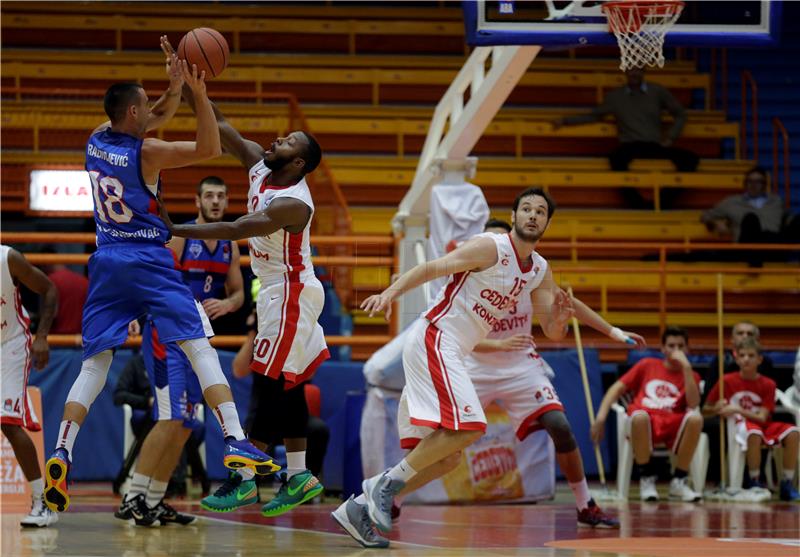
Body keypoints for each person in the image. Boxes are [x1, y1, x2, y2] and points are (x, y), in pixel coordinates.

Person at [333, 188, 645, 548]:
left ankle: (356, 509)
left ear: (547, 222)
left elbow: (553, 328)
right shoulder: (491, 246)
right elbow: (431, 268)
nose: (532, 215)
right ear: (513, 216)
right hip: (436, 336)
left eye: (540, 211)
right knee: (472, 427)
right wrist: (391, 293)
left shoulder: (539, 269)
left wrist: (565, 318)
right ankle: (382, 487)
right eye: (525, 208)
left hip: (455, 351)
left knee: (448, 458)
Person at [43, 38, 276, 515]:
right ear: (132, 113)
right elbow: (210, 147)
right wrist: (198, 92)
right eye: (145, 105)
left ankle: (62, 448)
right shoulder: (148, 153)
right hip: (148, 260)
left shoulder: (95, 138)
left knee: (94, 365)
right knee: (198, 345)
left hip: (106, 261)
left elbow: (152, 117)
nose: (152, 109)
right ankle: (234, 437)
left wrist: (172, 87)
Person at [157, 36, 328, 517]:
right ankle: (298, 475)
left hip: (292, 291)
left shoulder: (293, 202)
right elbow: (221, 124)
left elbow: (235, 228)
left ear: (297, 163)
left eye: (288, 143)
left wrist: (174, 227)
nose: (277, 141)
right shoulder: (258, 165)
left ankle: (245, 478)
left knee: (268, 383)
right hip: (279, 292)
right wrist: (186, 81)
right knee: (286, 382)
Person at [113, 175, 244, 526]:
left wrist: (229, 305)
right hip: (166, 333)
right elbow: (150, 277)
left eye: (221, 196)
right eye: (210, 196)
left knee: (186, 423)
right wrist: (135, 314)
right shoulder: (182, 236)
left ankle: (154, 500)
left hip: (197, 336)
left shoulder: (230, 244)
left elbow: (239, 293)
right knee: (170, 417)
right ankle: (132, 496)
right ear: (198, 201)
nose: (216, 201)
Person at [554, 66, 698, 208]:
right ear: (625, 71)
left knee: (690, 159)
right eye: (631, 69)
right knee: (616, 158)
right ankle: (637, 204)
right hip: (630, 145)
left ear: (643, 71)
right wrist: (566, 121)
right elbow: (594, 116)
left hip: (654, 145)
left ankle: (663, 200)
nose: (634, 73)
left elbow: (680, 114)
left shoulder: (657, 91)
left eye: (638, 69)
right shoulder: (615, 96)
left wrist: (671, 137)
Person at [591, 326, 704, 502]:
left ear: (687, 349)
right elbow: (616, 388)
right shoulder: (647, 364)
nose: (676, 351)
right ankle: (646, 477)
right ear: (663, 348)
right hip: (643, 420)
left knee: (697, 418)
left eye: (681, 346)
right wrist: (600, 418)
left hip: (673, 421)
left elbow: (694, 404)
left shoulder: (692, 375)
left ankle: (679, 481)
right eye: (671, 346)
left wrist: (687, 367)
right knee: (640, 416)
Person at [1, 246, 58, 527]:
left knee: (8, 423)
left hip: (10, 345)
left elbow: (49, 290)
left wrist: (42, 336)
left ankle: (42, 501)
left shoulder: (8, 258)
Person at [702, 337, 800, 501]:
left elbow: (762, 417)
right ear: (736, 358)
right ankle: (754, 480)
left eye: (751, 355)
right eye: (742, 355)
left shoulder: (768, 384)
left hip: (763, 425)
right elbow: (704, 410)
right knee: (752, 432)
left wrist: (737, 408)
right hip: (740, 428)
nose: (746, 359)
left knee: (793, 432)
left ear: (759, 359)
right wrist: (716, 408)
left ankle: (787, 482)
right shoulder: (726, 381)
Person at [701, 166, 799, 248]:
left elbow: (789, 218)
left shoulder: (776, 201)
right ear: (745, 183)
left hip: (773, 245)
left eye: (758, 182)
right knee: (750, 219)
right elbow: (705, 215)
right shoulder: (732, 202)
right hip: (747, 247)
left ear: (764, 184)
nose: (753, 185)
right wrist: (715, 223)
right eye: (750, 181)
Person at [39, 248, 89, 335]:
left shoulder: (50, 282)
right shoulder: (84, 281)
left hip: (58, 339)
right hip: (81, 340)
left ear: (45, 263)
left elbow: (50, 315)